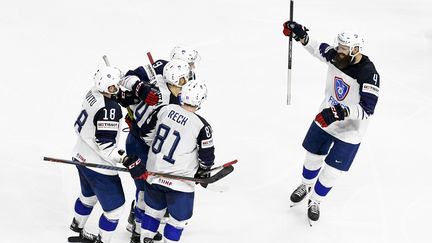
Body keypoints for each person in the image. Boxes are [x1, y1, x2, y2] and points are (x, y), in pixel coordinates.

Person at [282, 21, 380, 224]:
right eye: (340, 46)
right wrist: (301, 35)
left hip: (350, 131)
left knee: (332, 172)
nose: (339, 50)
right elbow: (318, 48)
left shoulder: (369, 73)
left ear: (355, 50)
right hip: (325, 118)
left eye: (344, 48)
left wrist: (339, 112)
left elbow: (367, 110)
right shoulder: (337, 56)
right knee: (312, 158)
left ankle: (316, 200)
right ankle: (306, 185)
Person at [130, 79, 215, 243]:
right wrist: (203, 171)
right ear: (201, 101)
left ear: (183, 95)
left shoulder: (164, 109)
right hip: (180, 183)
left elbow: (146, 134)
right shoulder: (202, 126)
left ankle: (145, 240)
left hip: (154, 175)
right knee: (177, 222)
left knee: (152, 214)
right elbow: (206, 158)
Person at [119, 59, 192, 243]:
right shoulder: (167, 104)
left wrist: (139, 89)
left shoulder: (159, 82)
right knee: (145, 190)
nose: (186, 84)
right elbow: (151, 133)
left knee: (146, 190)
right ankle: (136, 227)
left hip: (138, 140)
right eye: (183, 80)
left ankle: (138, 224)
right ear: (175, 79)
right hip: (141, 145)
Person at [69, 66, 136, 243]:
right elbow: (105, 146)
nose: (119, 88)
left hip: (79, 155)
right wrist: (125, 159)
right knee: (115, 209)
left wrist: (116, 96)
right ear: (109, 87)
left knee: (88, 196)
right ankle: (103, 241)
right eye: (115, 86)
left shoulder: (92, 92)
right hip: (97, 165)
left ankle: (78, 225)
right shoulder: (110, 109)